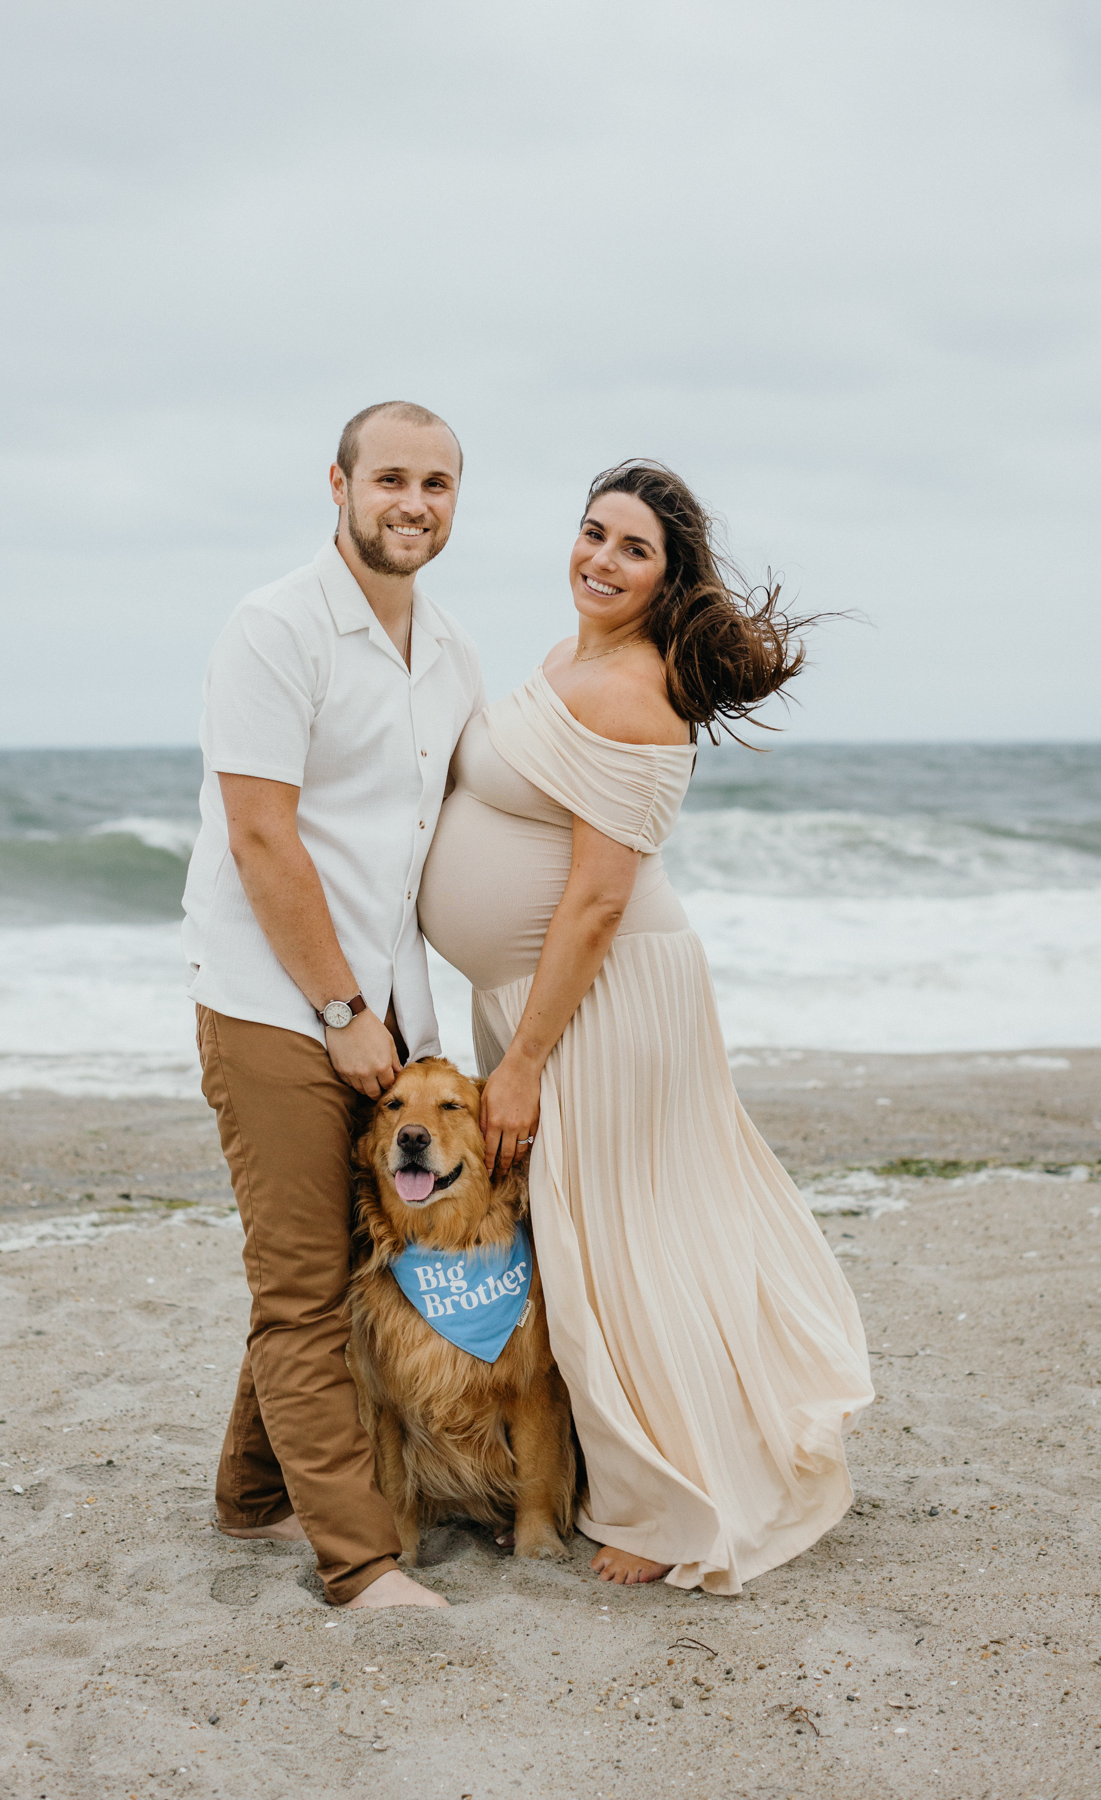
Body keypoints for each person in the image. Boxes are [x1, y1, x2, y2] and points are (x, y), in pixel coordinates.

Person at [419, 460, 874, 1593]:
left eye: (634, 550)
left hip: (598, 1002)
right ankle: (634, 1469)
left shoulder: (634, 690)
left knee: (611, 1243)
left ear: (669, 579)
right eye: (592, 533)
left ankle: (670, 1507)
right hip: (536, 997)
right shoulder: (567, 658)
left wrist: (522, 1063)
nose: (601, 561)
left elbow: (599, 900)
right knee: (608, 1235)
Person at [182, 401, 485, 1609]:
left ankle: (252, 1499)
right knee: (304, 1291)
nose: (414, 503)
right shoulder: (274, 629)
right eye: (392, 479)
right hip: (275, 1004)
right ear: (341, 485)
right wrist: (342, 1007)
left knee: (352, 1254)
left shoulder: (452, 653)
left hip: (390, 1010)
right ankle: (360, 1563)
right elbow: (263, 838)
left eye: (440, 484)